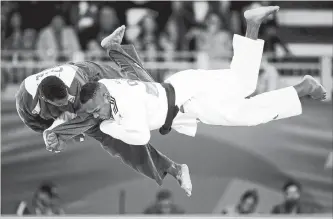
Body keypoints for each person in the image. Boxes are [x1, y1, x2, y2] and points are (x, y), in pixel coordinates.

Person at [78, 6, 327, 147]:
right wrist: (114, 50)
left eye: (95, 109)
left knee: (245, 113)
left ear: (101, 93)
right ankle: (253, 25)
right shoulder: (111, 88)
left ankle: (302, 88)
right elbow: (137, 73)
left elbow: (141, 136)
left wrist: (105, 125)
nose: (97, 114)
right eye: (94, 113)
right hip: (184, 84)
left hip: (189, 100)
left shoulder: (120, 108)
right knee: (243, 82)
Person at [16, 27, 192, 196]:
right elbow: (48, 133)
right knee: (115, 141)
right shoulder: (25, 104)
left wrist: (63, 132)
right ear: (46, 100)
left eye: (67, 101)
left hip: (91, 75)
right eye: (61, 105)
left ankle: (112, 47)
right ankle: (173, 168)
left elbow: (87, 119)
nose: (65, 105)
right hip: (65, 107)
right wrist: (52, 137)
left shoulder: (76, 84)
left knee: (144, 89)